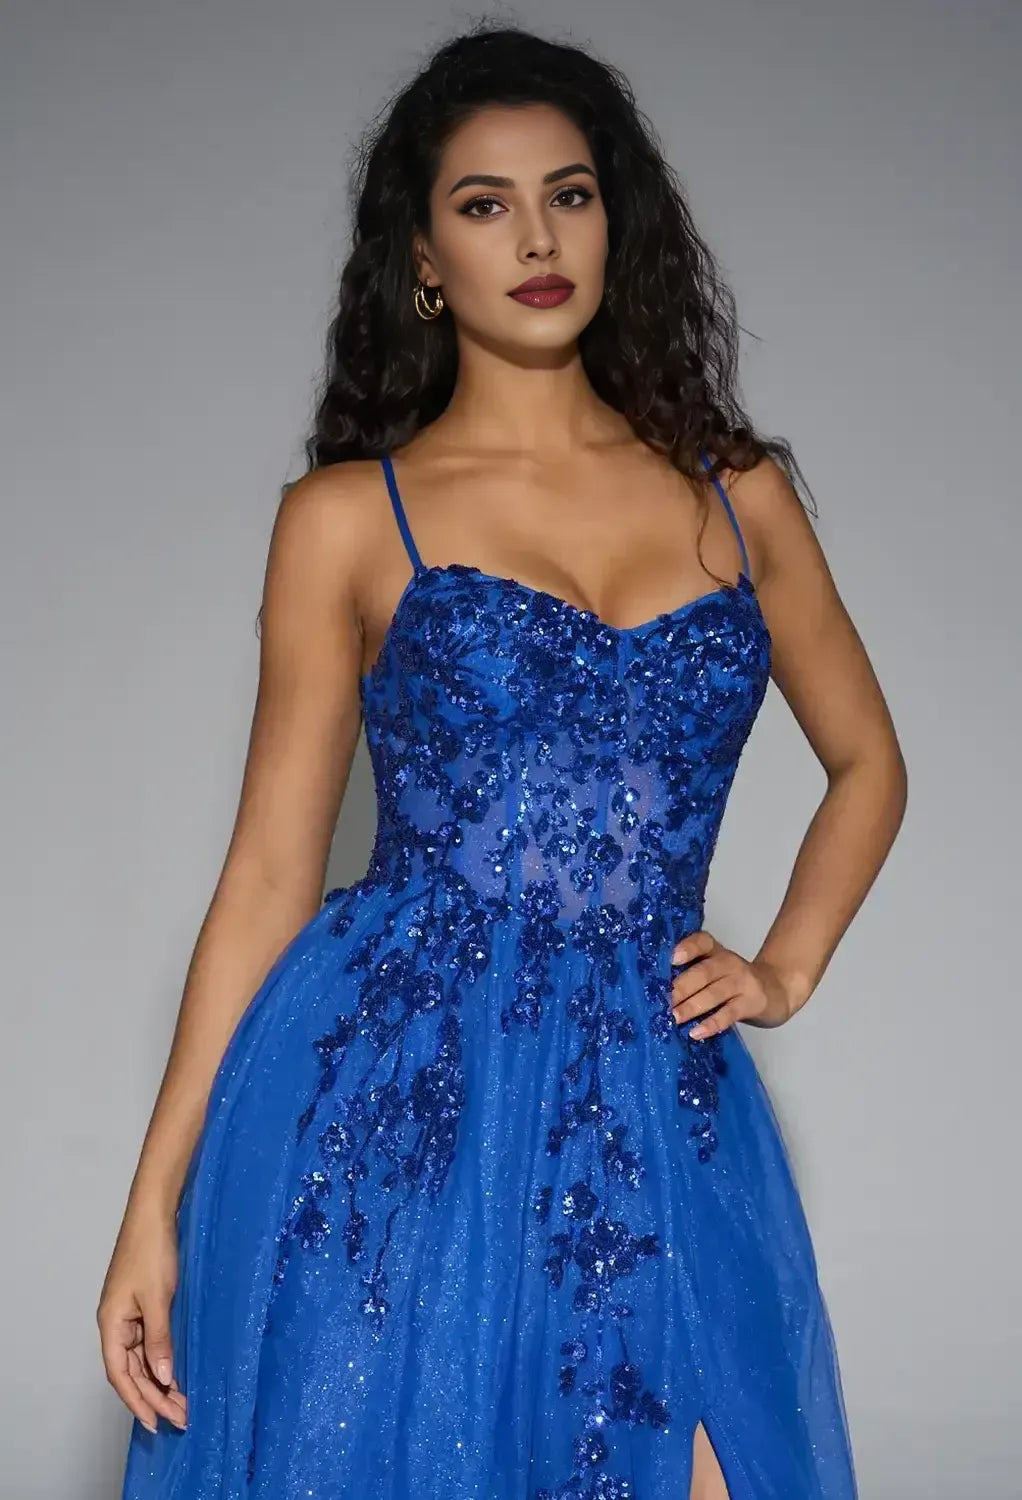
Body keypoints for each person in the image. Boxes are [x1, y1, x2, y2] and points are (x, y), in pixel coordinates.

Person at [98, 23, 907, 1500]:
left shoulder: (738, 498)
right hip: (400, 1095)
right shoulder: (348, 518)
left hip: (657, 1077)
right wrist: (153, 1203)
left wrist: (785, 968)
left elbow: (868, 763)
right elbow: (270, 874)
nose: (536, 238)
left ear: (615, 223)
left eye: (569, 194)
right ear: (424, 257)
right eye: (485, 205)